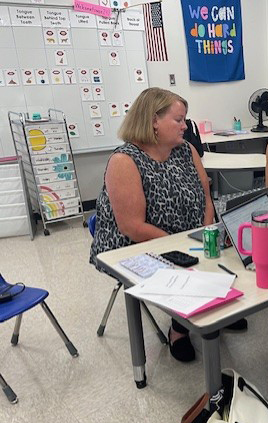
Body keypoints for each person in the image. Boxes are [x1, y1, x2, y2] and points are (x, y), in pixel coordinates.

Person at [89, 87, 215, 363]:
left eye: (185, 120)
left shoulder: (186, 150)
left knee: (220, 258)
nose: (185, 126)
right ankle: (179, 329)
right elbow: (132, 226)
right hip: (135, 247)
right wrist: (183, 247)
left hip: (187, 236)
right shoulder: (125, 160)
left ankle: (213, 314)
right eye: (179, 120)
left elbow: (206, 195)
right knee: (188, 272)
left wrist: (207, 233)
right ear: (153, 121)